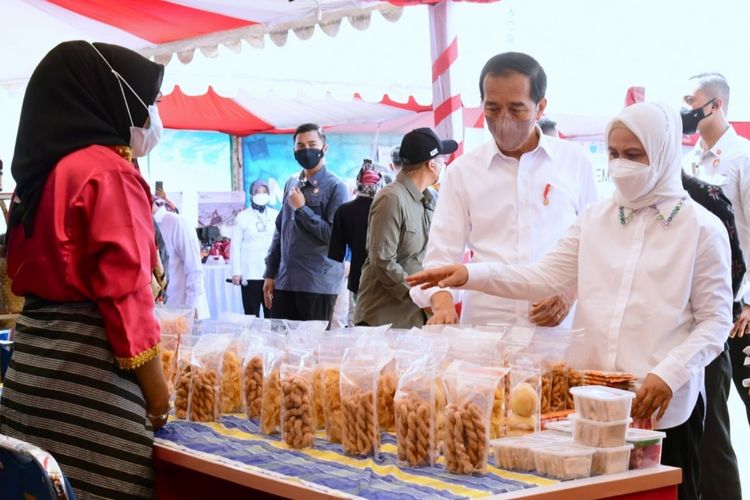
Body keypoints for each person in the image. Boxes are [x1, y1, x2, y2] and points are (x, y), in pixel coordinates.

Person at [408, 102, 732, 500]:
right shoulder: (595, 219)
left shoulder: (701, 229)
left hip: (663, 410)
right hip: (594, 406)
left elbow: (715, 322)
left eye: (634, 155)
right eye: (613, 154)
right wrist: (472, 274)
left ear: (663, 153)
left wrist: (668, 373)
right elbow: (541, 276)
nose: (620, 165)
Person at [0, 41, 170, 498]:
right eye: (149, 102)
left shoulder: (36, 179)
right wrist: (159, 397)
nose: (153, 115)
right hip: (89, 393)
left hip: (27, 384)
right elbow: (126, 296)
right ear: (113, 97)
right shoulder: (108, 171)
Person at [410, 52, 598, 327]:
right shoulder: (464, 171)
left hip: (558, 331)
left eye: (517, 109)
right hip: (487, 328)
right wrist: (443, 305)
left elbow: (594, 246)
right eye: (493, 109)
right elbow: (441, 256)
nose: (504, 120)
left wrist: (568, 294)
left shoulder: (575, 162)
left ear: (540, 107)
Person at [680, 72, 750, 500]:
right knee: (710, 422)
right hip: (708, 311)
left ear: (716, 105)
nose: (686, 109)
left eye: (692, 101)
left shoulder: (742, 157)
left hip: (742, 311)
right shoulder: (691, 161)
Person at [355, 127, 456, 328]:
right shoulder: (391, 198)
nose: (444, 164)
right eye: (442, 159)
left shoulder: (431, 198)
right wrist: (420, 295)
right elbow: (382, 260)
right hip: (383, 318)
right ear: (431, 164)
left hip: (416, 316)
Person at [263, 123, 348, 322]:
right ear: (294, 150)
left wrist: (302, 209)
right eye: (300, 146)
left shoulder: (337, 187)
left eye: (311, 144)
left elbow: (333, 236)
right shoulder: (291, 182)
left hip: (317, 284)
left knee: (311, 348)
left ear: (324, 148)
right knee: (279, 345)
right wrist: (270, 272)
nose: (306, 150)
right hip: (286, 281)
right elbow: (280, 231)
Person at [328, 161, 384, 321]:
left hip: (357, 278)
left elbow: (336, 253)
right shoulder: (388, 208)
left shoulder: (344, 211)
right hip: (388, 279)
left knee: (359, 324)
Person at [153, 199, 210, 319]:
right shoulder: (144, 226)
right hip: (160, 312)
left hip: (181, 310)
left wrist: (189, 312)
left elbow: (194, 270)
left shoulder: (176, 222)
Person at [231, 179, 278, 318]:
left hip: (271, 275)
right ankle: (251, 340)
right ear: (251, 195)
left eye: (264, 191)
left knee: (272, 314)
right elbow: (236, 245)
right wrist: (236, 271)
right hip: (250, 274)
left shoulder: (276, 215)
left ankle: (273, 340)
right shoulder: (243, 217)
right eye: (257, 192)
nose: (261, 194)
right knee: (251, 316)